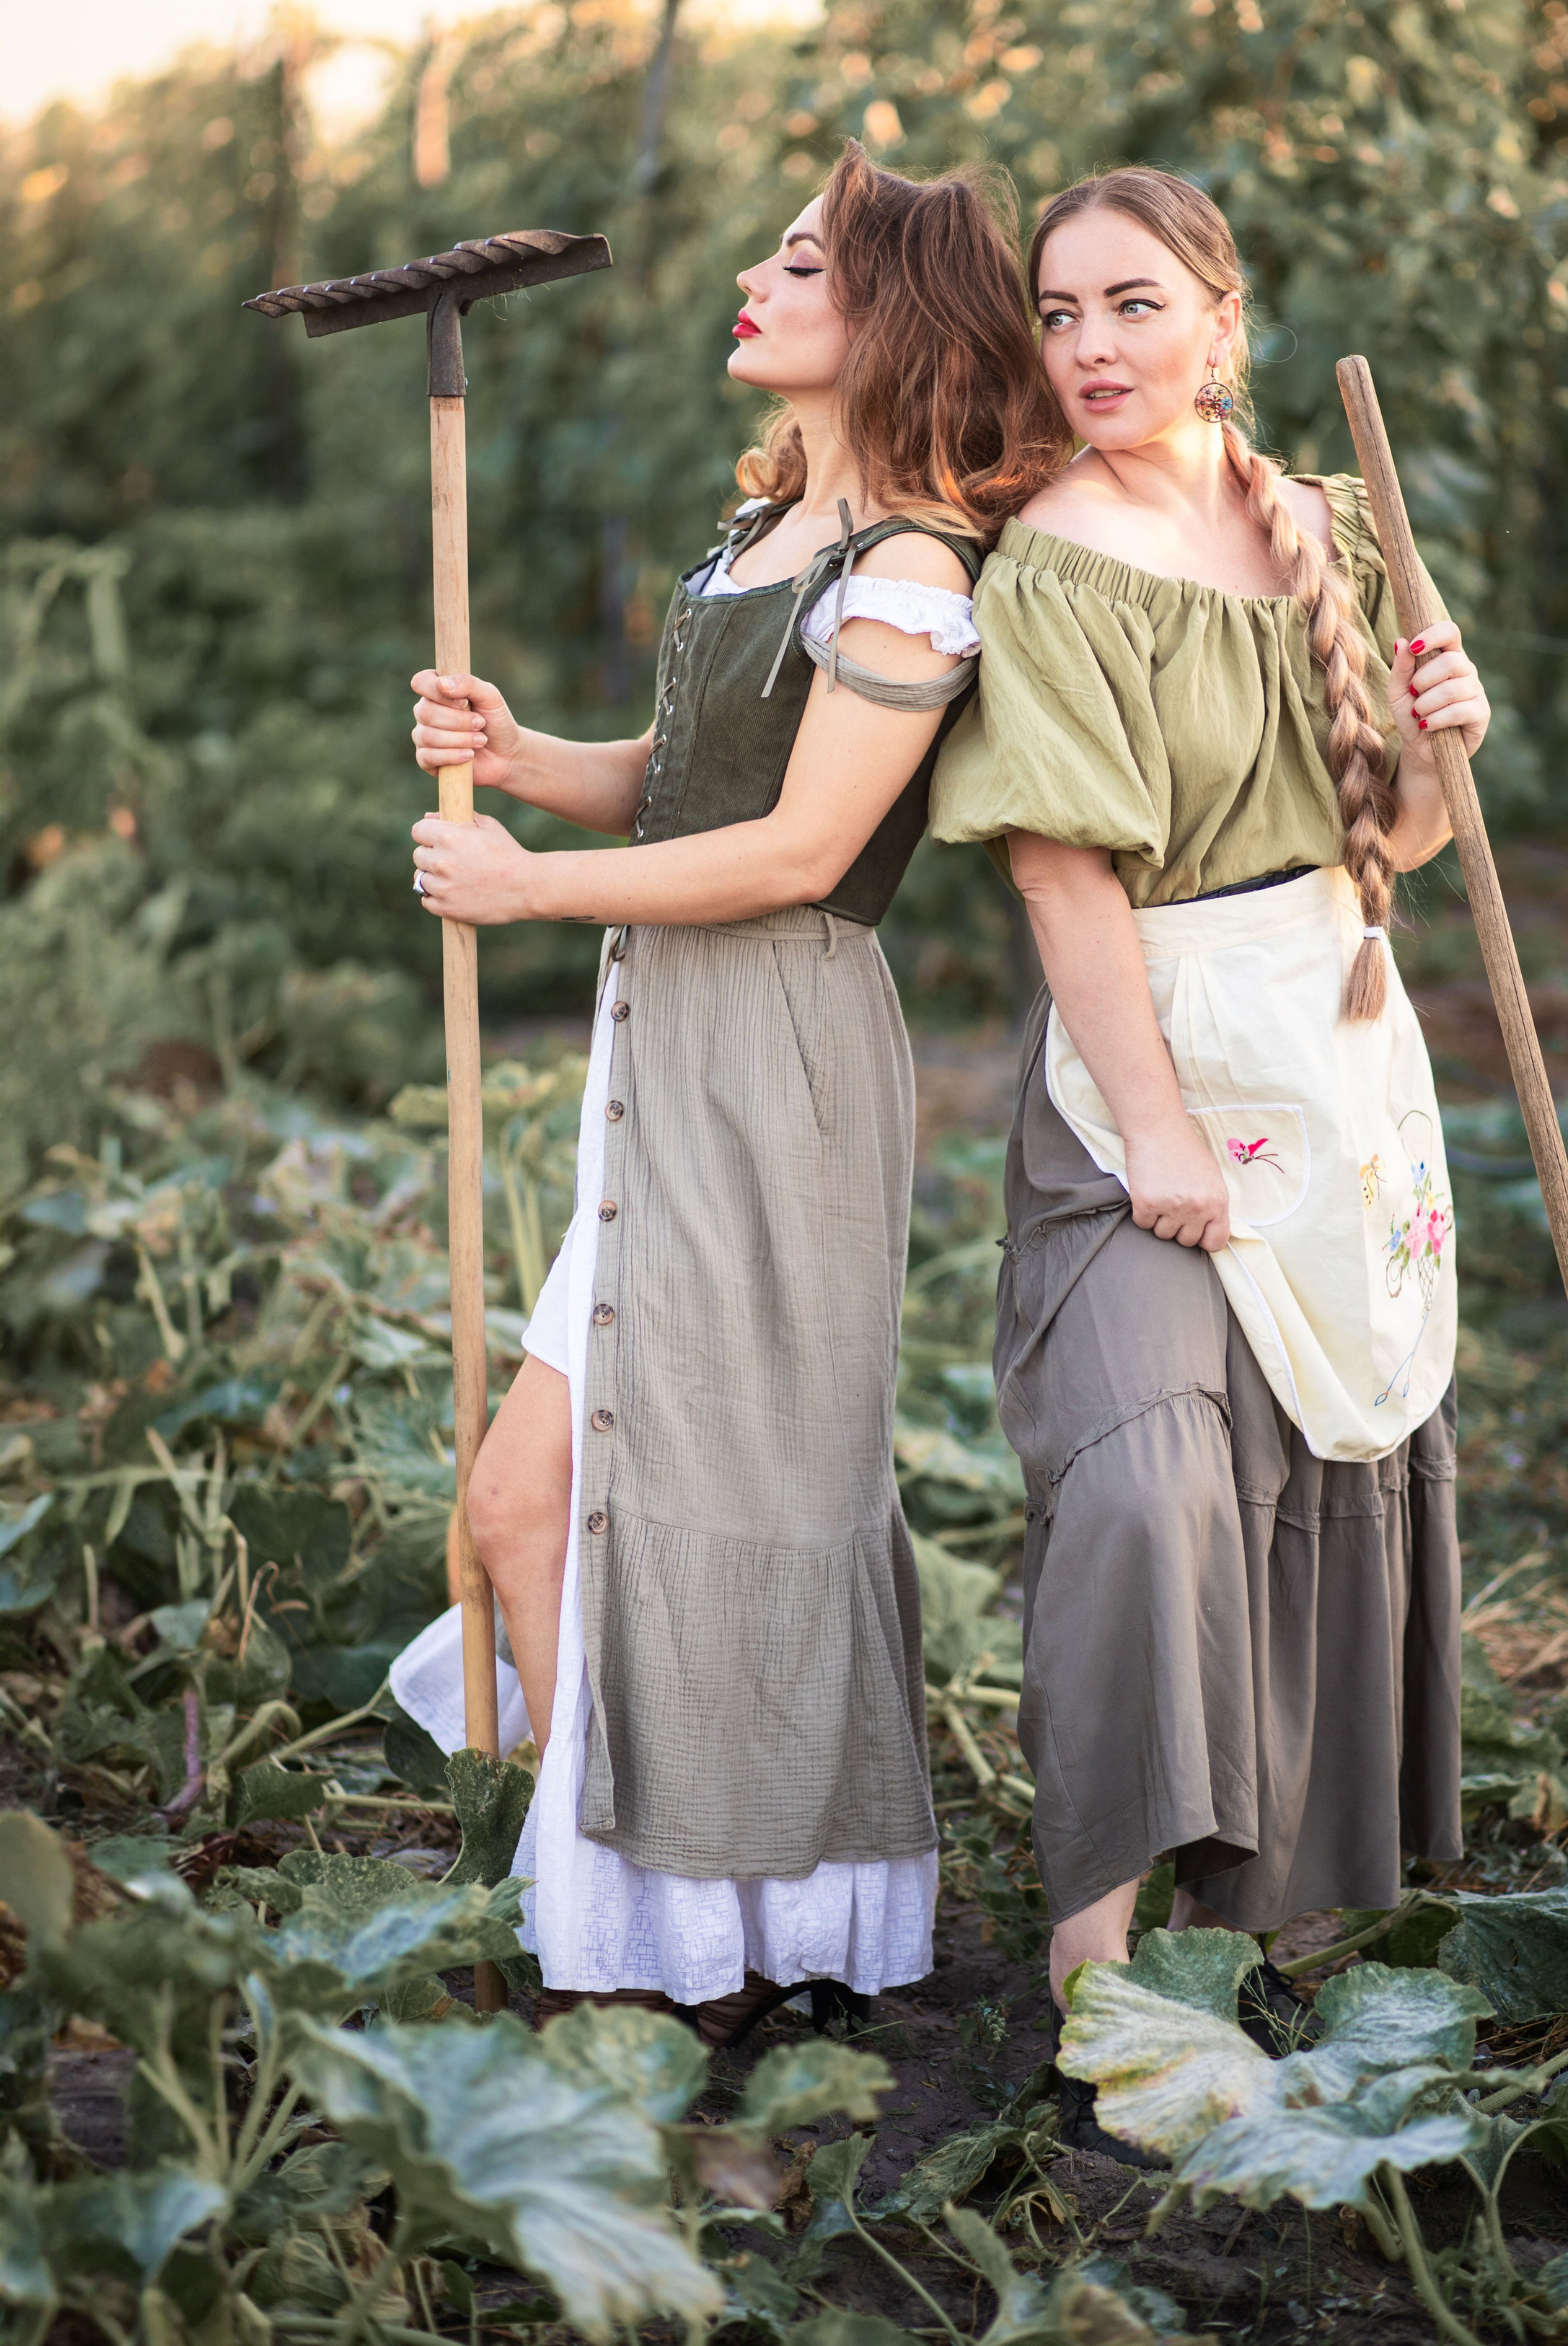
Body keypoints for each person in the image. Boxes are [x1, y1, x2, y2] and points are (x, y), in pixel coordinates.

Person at [387, 142, 1067, 2044]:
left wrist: (528, 887)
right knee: (530, 1503)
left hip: (777, 1051)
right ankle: (636, 1924)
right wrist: (529, 757)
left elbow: (802, 848)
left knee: (704, 1488)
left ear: (897, 317)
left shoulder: (911, 569)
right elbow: (692, 778)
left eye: (802, 261)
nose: (755, 282)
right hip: (665, 1041)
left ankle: (714, 1952)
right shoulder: (767, 531)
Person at [929, 168, 1492, 2150]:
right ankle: (1095, 1975)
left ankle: (1260, 1920)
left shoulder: (1320, 523)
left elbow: (1390, 842)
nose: (1089, 347)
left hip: (1328, 1051)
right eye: (1059, 311)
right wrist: (1158, 1122)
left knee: (1323, 1449)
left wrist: (1448, 739)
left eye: (1133, 304)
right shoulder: (1053, 564)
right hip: (1143, 1075)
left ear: (1221, 322)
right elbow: (1061, 875)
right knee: (1153, 1476)